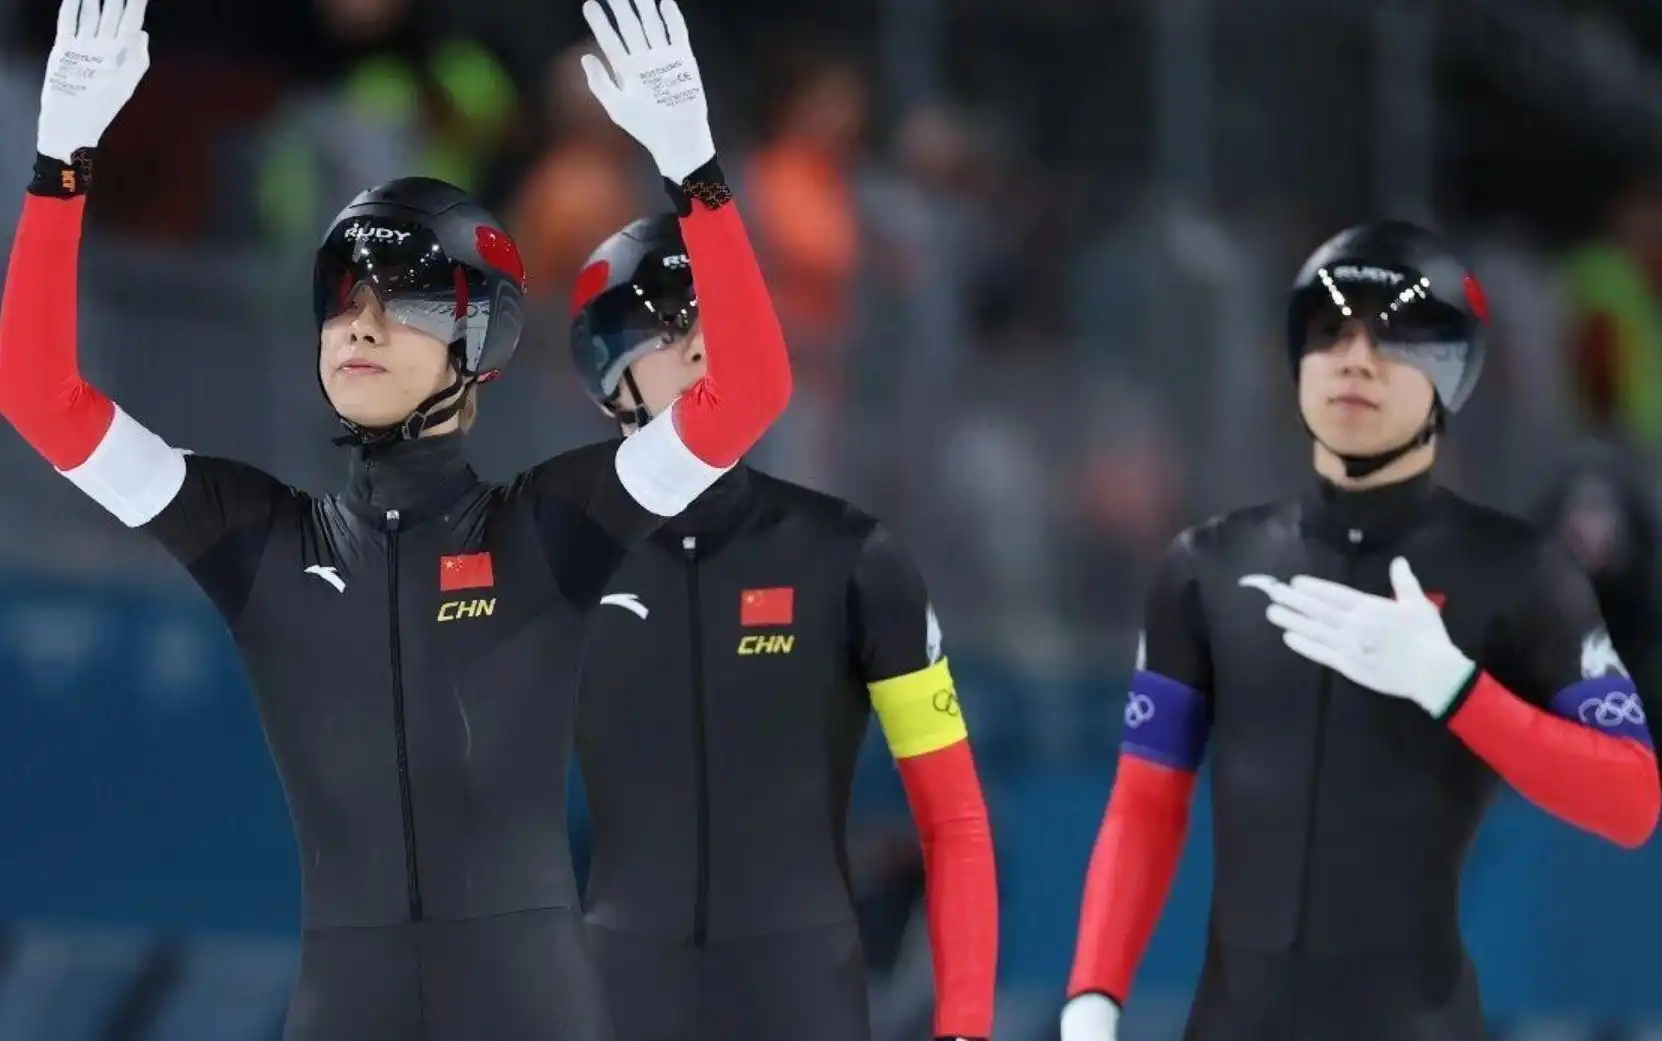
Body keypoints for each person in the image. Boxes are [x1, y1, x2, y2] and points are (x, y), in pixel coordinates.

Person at [0, 2, 791, 1039]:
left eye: (406, 299)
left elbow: (748, 395)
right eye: (343, 299)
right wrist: (60, 164)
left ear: (479, 341)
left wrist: (696, 173)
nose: (360, 325)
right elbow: (39, 396)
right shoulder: (259, 539)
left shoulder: (548, 526)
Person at [1058, 221, 1661, 1041]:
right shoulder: (1206, 566)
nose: (1355, 359)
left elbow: (1630, 801)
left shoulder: (1519, 574)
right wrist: (1092, 1000)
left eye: (1394, 336)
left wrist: (1454, 688)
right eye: (1330, 332)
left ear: (1452, 373)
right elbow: (1144, 803)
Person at [565, 212, 999, 1041]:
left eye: (719, 319)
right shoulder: (554, 559)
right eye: (668, 325)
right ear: (604, 368)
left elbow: (954, 822)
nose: (703, 345)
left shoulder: (852, 557)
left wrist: (966, 1028)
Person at [1534, 439, 1662, 782]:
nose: (1584, 525)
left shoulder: (1646, 629)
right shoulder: (1533, 617)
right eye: (1578, 510)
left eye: (1597, 509)